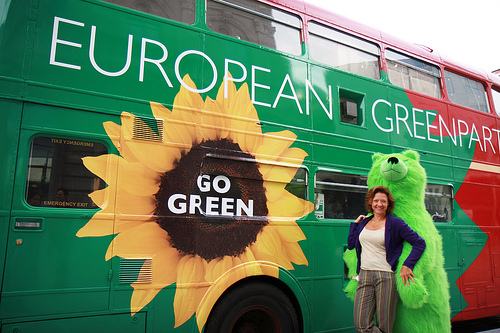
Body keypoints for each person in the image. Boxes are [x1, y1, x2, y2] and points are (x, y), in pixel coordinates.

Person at [347, 186, 426, 333]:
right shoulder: (365, 222)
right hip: (364, 275)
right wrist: (355, 224)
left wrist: (407, 265)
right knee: (361, 325)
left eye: (383, 201)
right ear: (370, 202)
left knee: (385, 325)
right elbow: (351, 244)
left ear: (388, 204)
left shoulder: (396, 224)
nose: (379, 204)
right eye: (376, 200)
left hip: (386, 276)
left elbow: (419, 243)